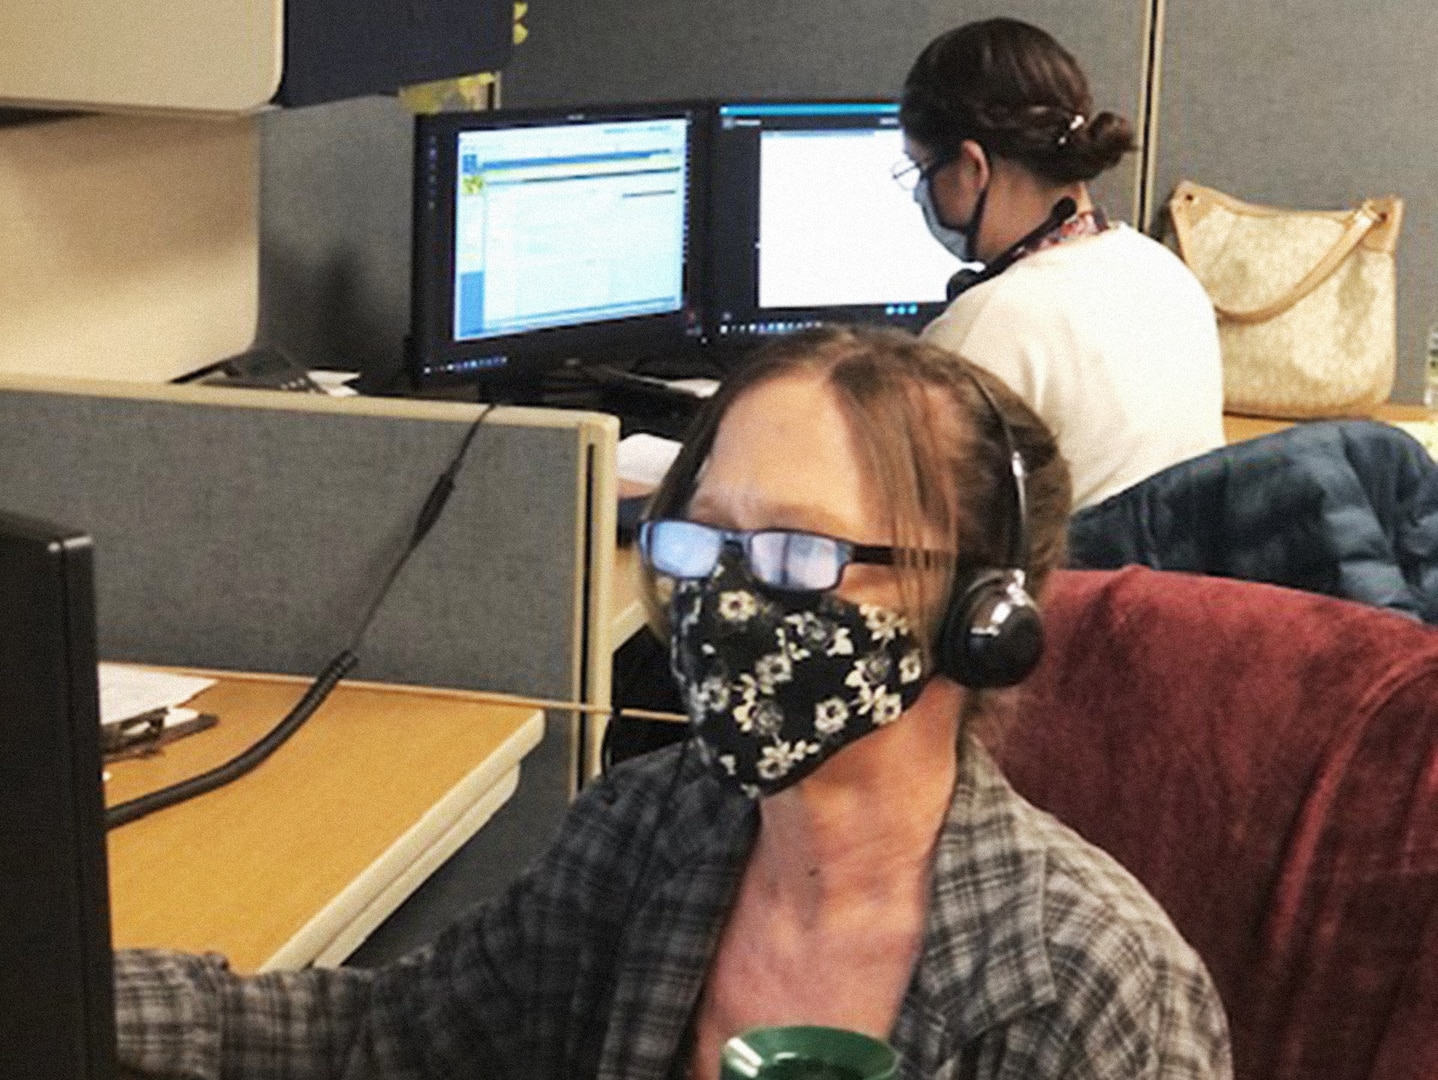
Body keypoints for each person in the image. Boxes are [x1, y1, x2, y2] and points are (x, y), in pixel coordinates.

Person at [112, 326, 1230, 1079]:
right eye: (704, 540)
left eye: (798, 551)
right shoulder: (653, 828)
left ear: (982, 609)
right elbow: (390, 1038)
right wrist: (61, 985)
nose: (726, 600)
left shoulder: (1093, 991)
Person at [899, 17, 1225, 510]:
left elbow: (914, 522)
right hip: (1169, 585)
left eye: (924, 171)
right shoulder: (1165, 270)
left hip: (1064, 587)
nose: (923, 194)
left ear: (972, 166)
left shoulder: (992, 322)